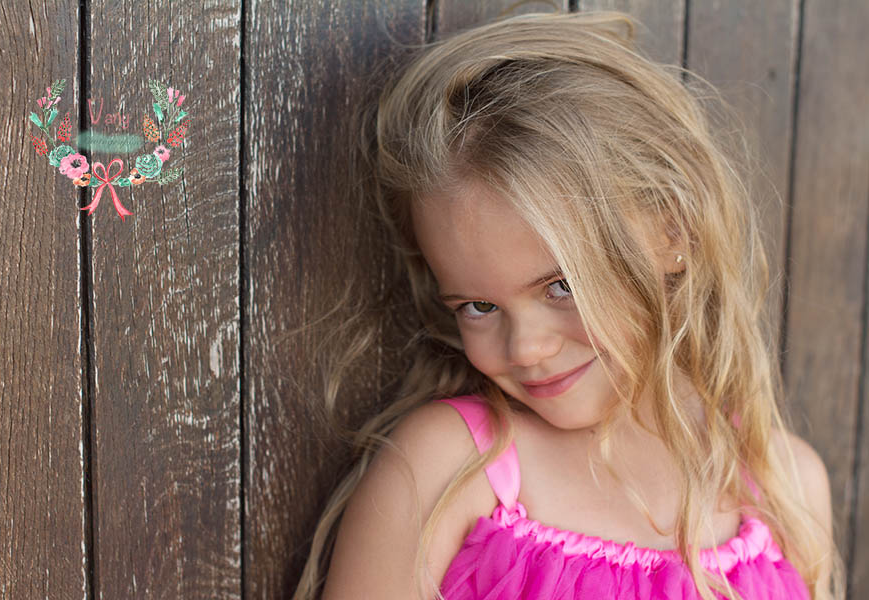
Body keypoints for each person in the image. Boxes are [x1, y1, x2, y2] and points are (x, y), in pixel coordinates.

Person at [294, 11, 844, 600]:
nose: (526, 347)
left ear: (673, 232)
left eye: (563, 286)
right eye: (478, 305)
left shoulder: (784, 488)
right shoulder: (447, 473)